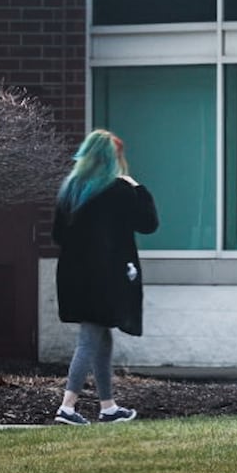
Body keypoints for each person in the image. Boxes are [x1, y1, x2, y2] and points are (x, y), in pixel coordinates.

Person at [51, 129, 159, 425]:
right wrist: (138, 187)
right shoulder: (119, 191)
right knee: (89, 340)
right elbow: (149, 224)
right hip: (105, 278)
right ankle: (67, 407)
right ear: (112, 158)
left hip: (74, 277)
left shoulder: (70, 190)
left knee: (101, 338)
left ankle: (108, 407)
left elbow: (58, 235)